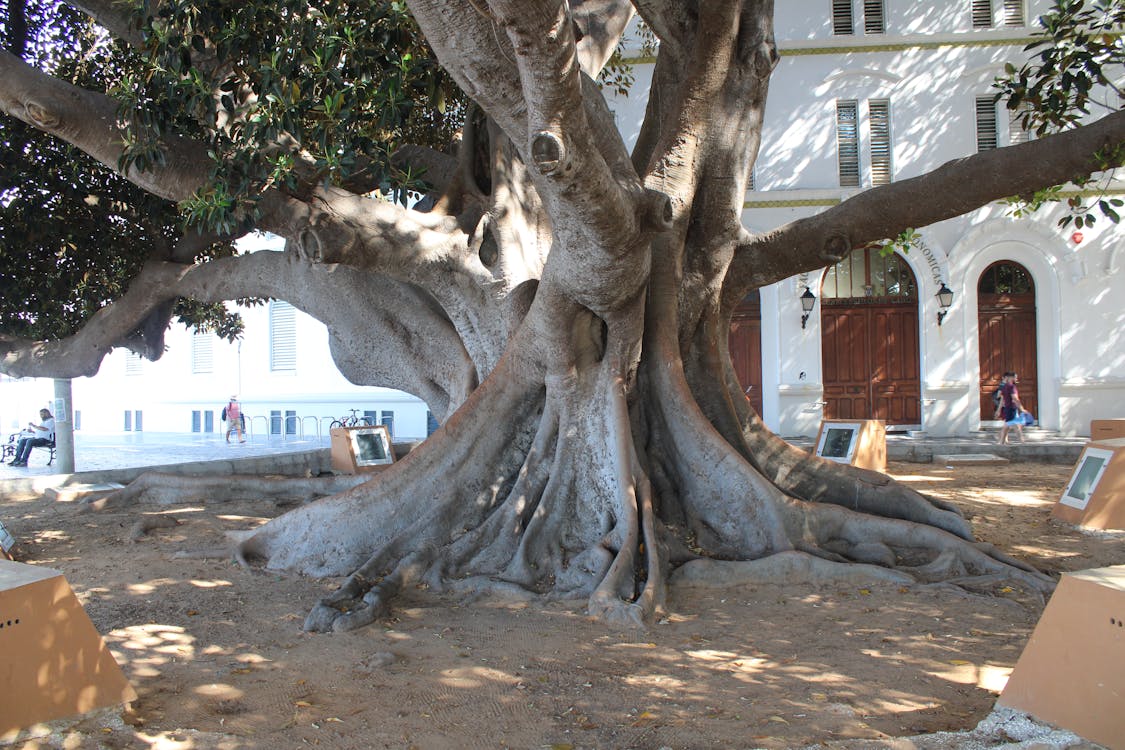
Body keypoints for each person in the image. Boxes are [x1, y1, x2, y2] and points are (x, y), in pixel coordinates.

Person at [996, 371, 1025, 445]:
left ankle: (1001, 442)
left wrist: (998, 410)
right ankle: (1022, 442)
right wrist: (1021, 408)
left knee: (1007, 426)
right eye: (1015, 377)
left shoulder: (1005, 386)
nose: (1016, 378)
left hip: (1008, 408)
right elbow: (1014, 398)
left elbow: (1002, 399)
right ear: (1010, 377)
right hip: (1011, 408)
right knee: (1016, 426)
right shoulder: (1011, 387)